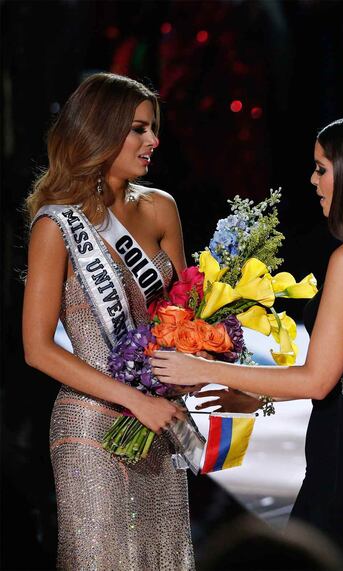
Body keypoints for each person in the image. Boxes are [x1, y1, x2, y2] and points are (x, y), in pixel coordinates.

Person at [153, 114, 343, 570]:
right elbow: (337, 375)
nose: (313, 179)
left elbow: (319, 381)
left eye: (322, 168)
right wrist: (252, 396)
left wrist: (202, 368)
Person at [22, 72, 194, 568]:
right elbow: (37, 348)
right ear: (100, 131)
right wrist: (134, 399)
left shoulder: (162, 209)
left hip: (160, 426)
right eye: (139, 129)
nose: (152, 141)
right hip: (91, 428)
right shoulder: (57, 225)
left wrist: (209, 361)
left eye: (153, 128)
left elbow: (186, 315)